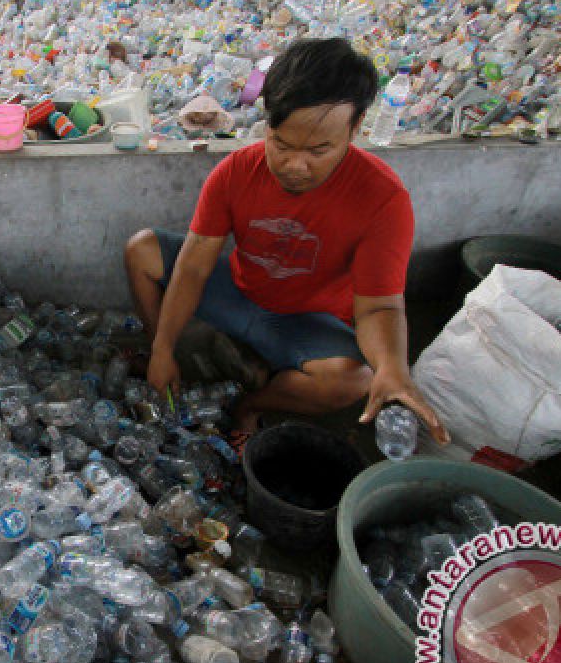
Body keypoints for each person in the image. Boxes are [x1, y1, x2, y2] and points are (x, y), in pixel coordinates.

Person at [123, 37, 449, 450]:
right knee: (142, 250)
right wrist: (163, 347)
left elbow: (379, 307)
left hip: (307, 321)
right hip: (241, 294)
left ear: (356, 127)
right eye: (282, 144)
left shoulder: (383, 199)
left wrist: (393, 368)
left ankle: (251, 405)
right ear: (268, 120)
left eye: (319, 150)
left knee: (354, 380)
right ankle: (169, 359)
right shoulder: (236, 172)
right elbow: (193, 266)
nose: (295, 166)